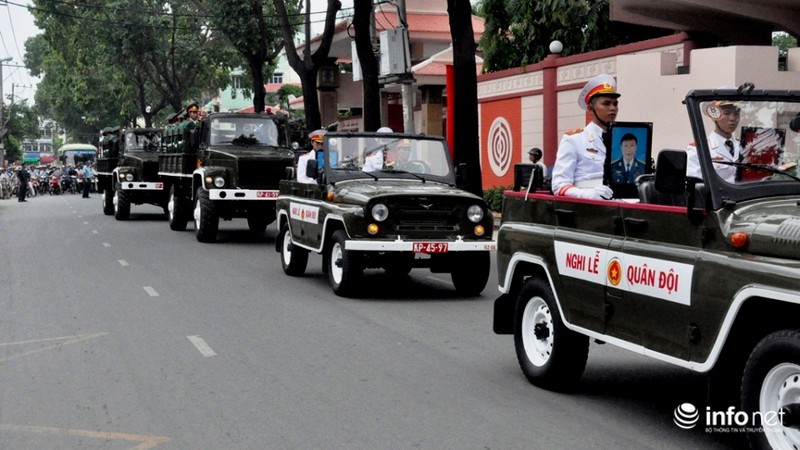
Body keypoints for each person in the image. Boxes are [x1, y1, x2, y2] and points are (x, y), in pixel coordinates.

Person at [551, 74, 618, 200]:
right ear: (590, 109)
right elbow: (559, 186)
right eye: (606, 104)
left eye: (615, 104)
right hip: (586, 209)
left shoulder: (620, 139)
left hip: (619, 206)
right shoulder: (574, 139)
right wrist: (589, 194)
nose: (613, 108)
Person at [686, 97, 741, 183]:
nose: (732, 118)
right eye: (726, 113)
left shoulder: (745, 146)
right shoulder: (699, 149)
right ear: (714, 116)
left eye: (736, 114)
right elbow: (696, 185)